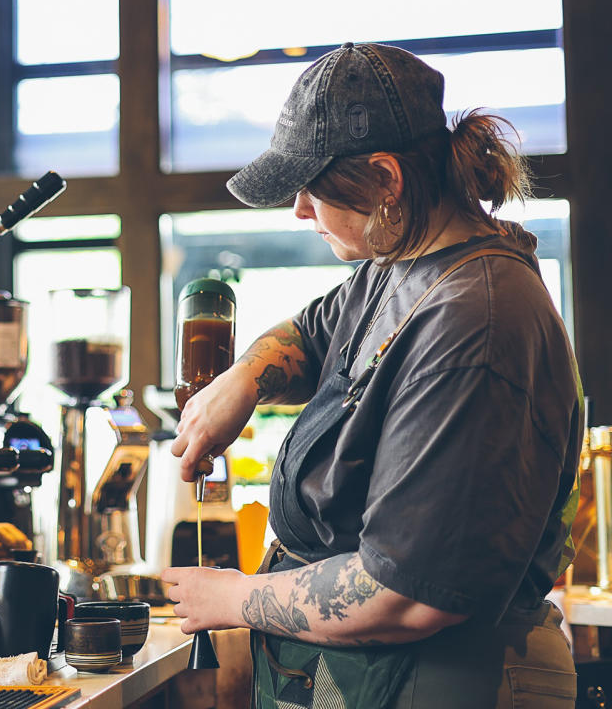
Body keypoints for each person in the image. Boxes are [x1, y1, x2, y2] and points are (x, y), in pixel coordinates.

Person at [163, 42, 581, 709]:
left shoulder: (477, 321)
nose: (299, 211)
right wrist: (240, 382)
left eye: (312, 188)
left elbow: (407, 594)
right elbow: (306, 333)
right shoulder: (399, 269)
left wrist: (236, 599)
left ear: (387, 178)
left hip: (444, 681)